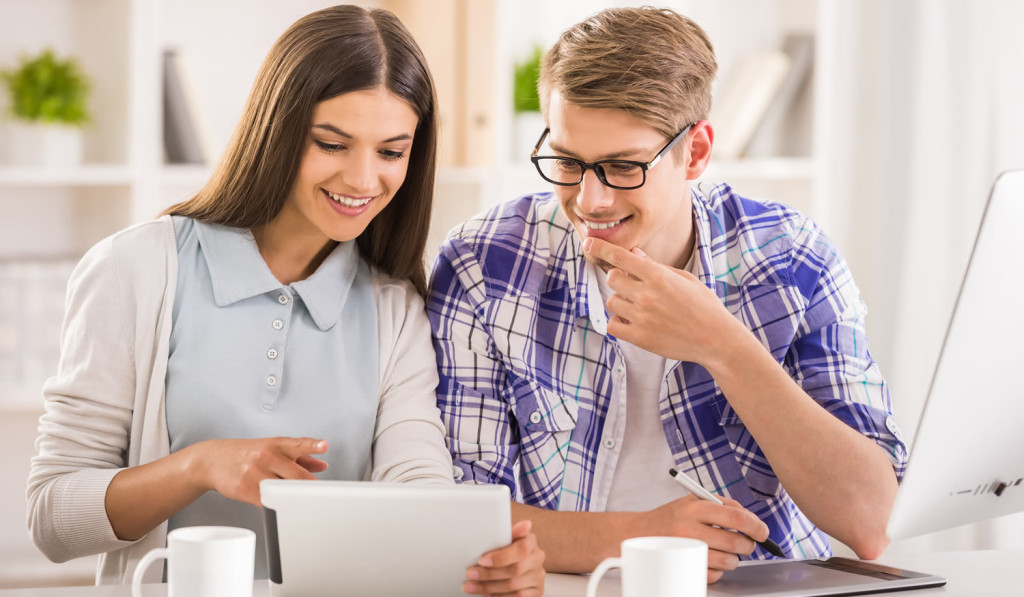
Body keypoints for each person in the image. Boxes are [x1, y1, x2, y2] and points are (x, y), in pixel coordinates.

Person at [27, 5, 544, 595]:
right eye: (332, 143)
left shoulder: (393, 306)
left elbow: (418, 485)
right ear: (276, 128)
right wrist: (199, 466)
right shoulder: (135, 270)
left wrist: (482, 560)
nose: (362, 178)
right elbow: (51, 519)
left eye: (391, 152)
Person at [426, 6, 908, 583]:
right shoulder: (484, 263)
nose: (589, 201)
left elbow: (871, 519)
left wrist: (723, 345)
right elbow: (452, 515)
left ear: (696, 152)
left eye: (623, 167)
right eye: (567, 161)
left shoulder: (793, 259)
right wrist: (636, 537)